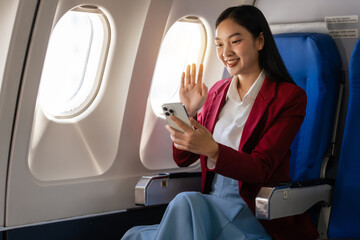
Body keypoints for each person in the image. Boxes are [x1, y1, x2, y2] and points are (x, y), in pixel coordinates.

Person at [122, 5, 318, 240]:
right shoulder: (216, 92)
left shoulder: (289, 97)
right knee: (134, 235)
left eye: (235, 41)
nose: (226, 52)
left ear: (260, 41)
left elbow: (262, 167)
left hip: (253, 212)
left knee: (186, 202)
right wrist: (189, 113)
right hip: (211, 206)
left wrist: (212, 149)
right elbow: (183, 159)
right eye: (219, 44)